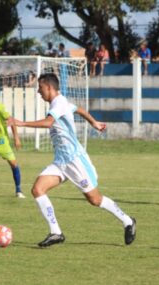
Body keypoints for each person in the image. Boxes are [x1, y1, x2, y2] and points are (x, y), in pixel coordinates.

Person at [12, 73, 136, 247]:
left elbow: (48, 123)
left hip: (75, 161)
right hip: (61, 161)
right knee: (37, 189)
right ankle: (56, 232)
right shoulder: (61, 101)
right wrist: (94, 122)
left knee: (95, 200)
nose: (38, 92)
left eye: (40, 88)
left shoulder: (59, 103)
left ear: (48, 87)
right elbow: (79, 109)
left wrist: (21, 123)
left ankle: (128, 221)